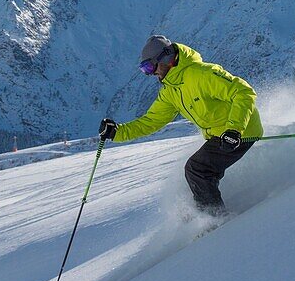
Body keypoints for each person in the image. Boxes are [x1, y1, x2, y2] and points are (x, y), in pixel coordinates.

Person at [98, 35, 263, 216]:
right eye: (145, 69)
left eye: (150, 66)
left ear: (166, 58)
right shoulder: (171, 90)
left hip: (240, 131)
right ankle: (199, 214)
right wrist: (117, 132)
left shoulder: (201, 73)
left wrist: (234, 129)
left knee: (197, 169)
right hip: (220, 135)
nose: (151, 73)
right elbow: (151, 121)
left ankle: (215, 220)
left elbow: (243, 91)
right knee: (196, 174)